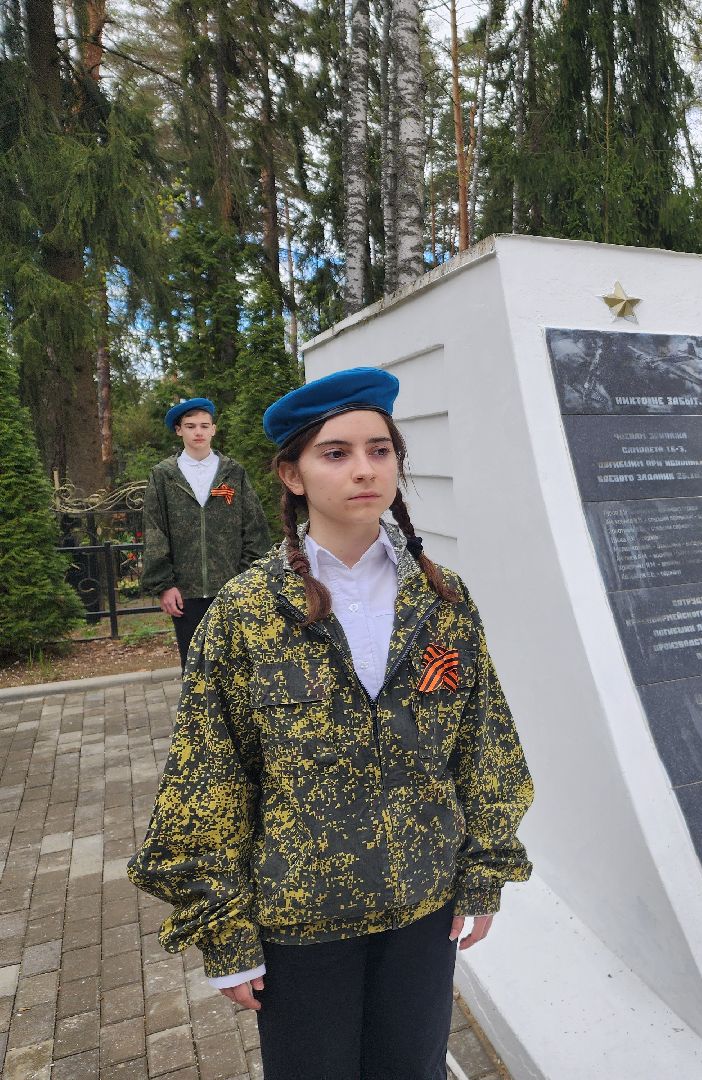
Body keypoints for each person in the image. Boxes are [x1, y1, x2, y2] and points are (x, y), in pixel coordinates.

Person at [128, 368, 535, 1079]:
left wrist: (485, 869)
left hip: (423, 904)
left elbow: (485, 744)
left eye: (380, 450)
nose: (365, 470)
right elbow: (209, 775)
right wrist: (224, 931)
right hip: (302, 916)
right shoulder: (248, 612)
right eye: (336, 453)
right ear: (292, 475)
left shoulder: (443, 599)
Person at [140, 398, 271, 667]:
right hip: (185, 592)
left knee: (236, 664)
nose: (198, 432)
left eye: (204, 425)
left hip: (231, 588)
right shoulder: (163, 475)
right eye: (190, 426)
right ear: (179, 430)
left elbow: (255, 528)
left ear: (213, 429)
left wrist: (246, 579)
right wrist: (164, 585)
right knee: (195, 667)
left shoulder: (232, 472)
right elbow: (155, 530)